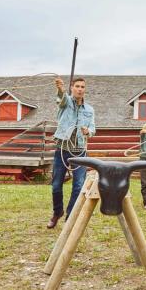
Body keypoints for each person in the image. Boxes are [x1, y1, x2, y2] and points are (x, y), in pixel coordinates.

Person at [47, 77, 96, 229]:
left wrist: (88, 131)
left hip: (80, 151)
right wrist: (60, 89)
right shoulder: (65, 102)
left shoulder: (89, 110)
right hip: (62, 148)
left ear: (84, 89)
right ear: (72, 88)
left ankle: (70, 216)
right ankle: (57, 212)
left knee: (79, 185)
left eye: (82, 87)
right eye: (77, 86)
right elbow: (61, 99)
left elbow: (93, 130)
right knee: (56, 185)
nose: (80, 89)